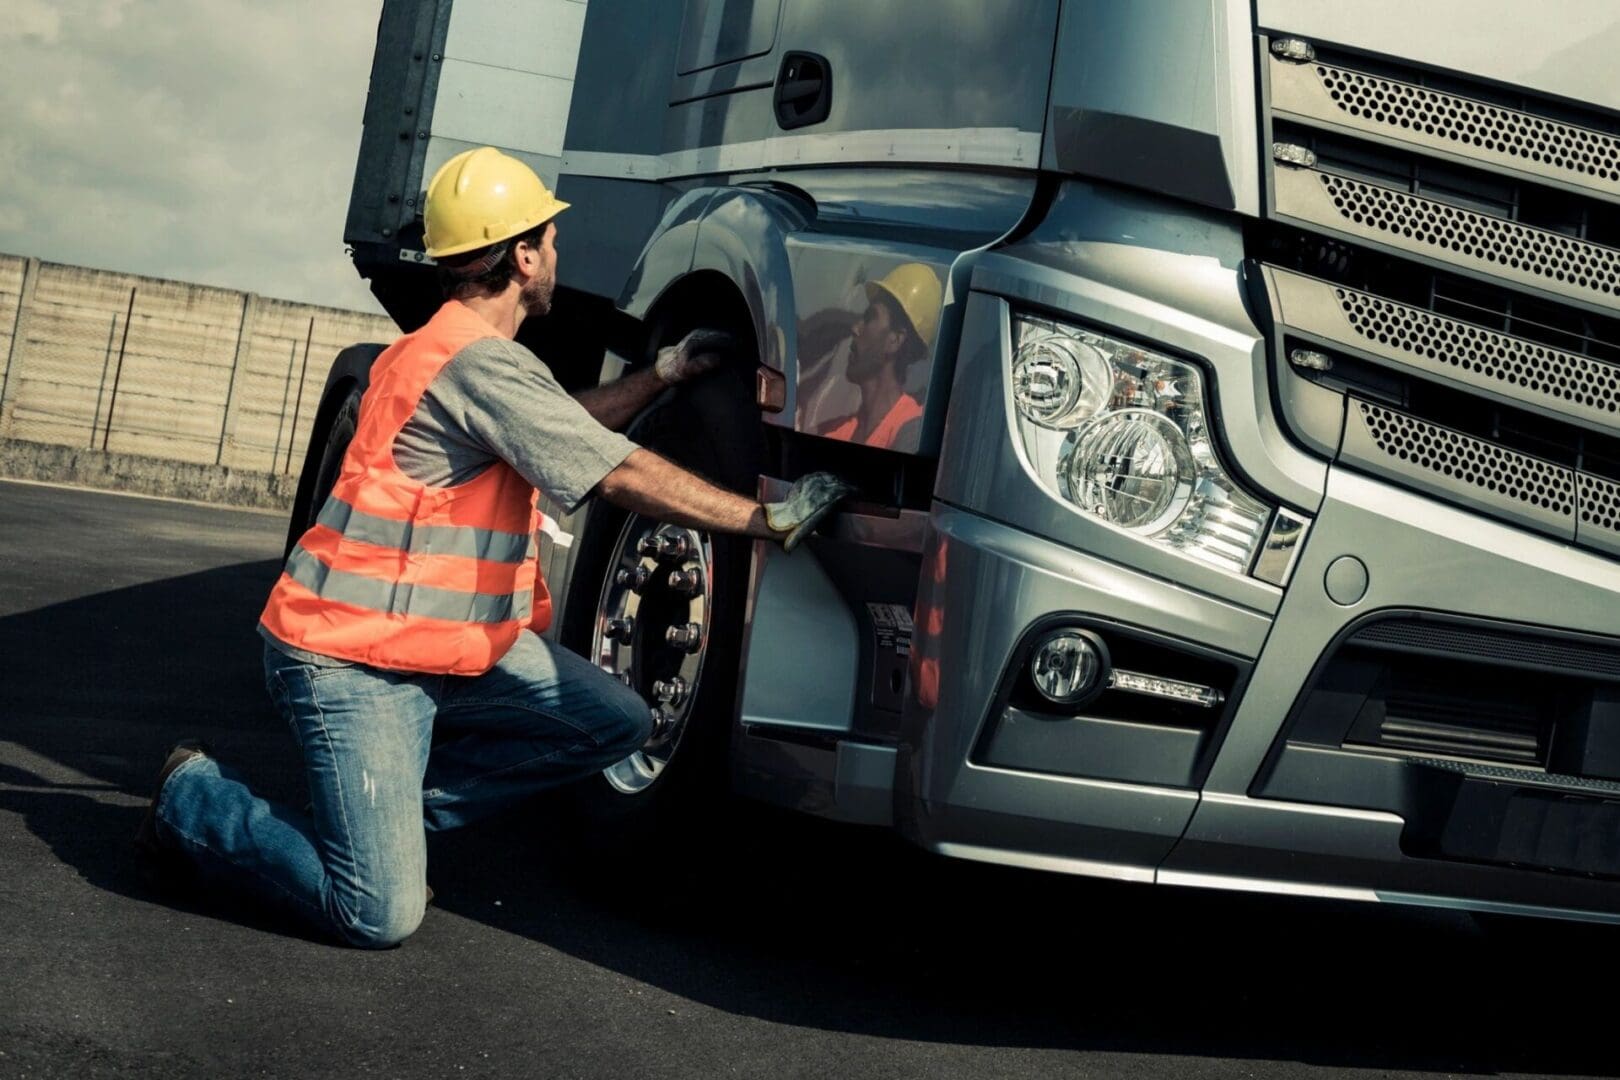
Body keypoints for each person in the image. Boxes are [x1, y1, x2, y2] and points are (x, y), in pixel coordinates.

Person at [132, 147, 852, 948]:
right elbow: (614, 470)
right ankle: (192, 801)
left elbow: (565, 423)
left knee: (612, 719)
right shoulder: (478, 364)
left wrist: (661, 373)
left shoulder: (456, 352)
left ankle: (379, 821)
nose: (556, 255)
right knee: (375, 912)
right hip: (352, 659)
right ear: (521, 254)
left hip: (442, 650)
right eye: (549, 239)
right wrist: (762, 520)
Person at [803, 262, 943, 450]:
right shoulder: (834, 431)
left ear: (895, 340)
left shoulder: (912, 432)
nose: (855, 328)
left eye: (869, 318)